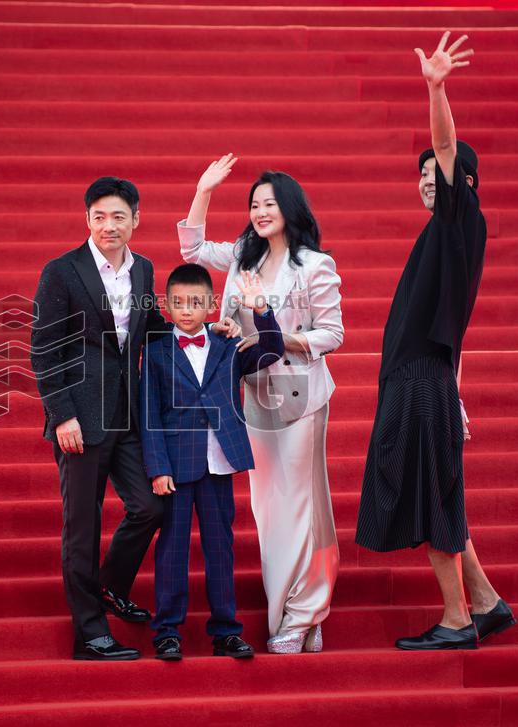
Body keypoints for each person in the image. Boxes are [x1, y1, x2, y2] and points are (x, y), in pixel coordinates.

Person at [30, 177, 239, 661]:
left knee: (150, 507)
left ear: (136, 220)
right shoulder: (62, 271)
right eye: (99, 217)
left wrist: (208, 329)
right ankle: (90, 635)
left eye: (119, 217)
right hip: (81, 421)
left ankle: (107, 586)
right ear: (87, 220)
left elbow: (153, 330)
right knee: (82, 527)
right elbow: (43, 349)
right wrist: (62, 415)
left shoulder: (142, 270)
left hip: (127, 417)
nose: (109, 225)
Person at [354, 32, 516, 650]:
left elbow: (446, 145)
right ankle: (487, 604)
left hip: (420, 382)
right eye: (420, 174)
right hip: (431, 379)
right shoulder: (445, 240)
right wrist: (457, 394)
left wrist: (436, 88)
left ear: (462, 182)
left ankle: (455, 621)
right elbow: (456, 332)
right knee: (441, 495)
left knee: (429, 501)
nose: (427, 179)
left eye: (436, 173)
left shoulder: (459, 219)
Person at [179, 160, 344, 653]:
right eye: (254, 205)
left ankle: (300, 614)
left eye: (269, 203)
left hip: (300, 396)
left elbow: (332, 334)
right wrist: (204, 190)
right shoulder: (242, 257)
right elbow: (192, 250)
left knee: (301, 504)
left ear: (290, 208)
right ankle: (301, 609)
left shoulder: (314, 265)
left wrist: (275, 333)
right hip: (254, 396)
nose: (260, 212)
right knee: (269, 508)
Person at [140, 264, 284, 660]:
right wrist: (157, 468)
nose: (187, 310)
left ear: (211, 305)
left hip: (219, 462)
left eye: (196, 303)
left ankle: (226, 631)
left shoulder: (227, 345)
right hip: (176, 466)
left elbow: (272, 350)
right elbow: (148, 414)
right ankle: (167, 631)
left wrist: (260, 309)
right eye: (179, 303)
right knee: (172, 549)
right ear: (167, 305)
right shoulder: (155, 352)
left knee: (221, 548)